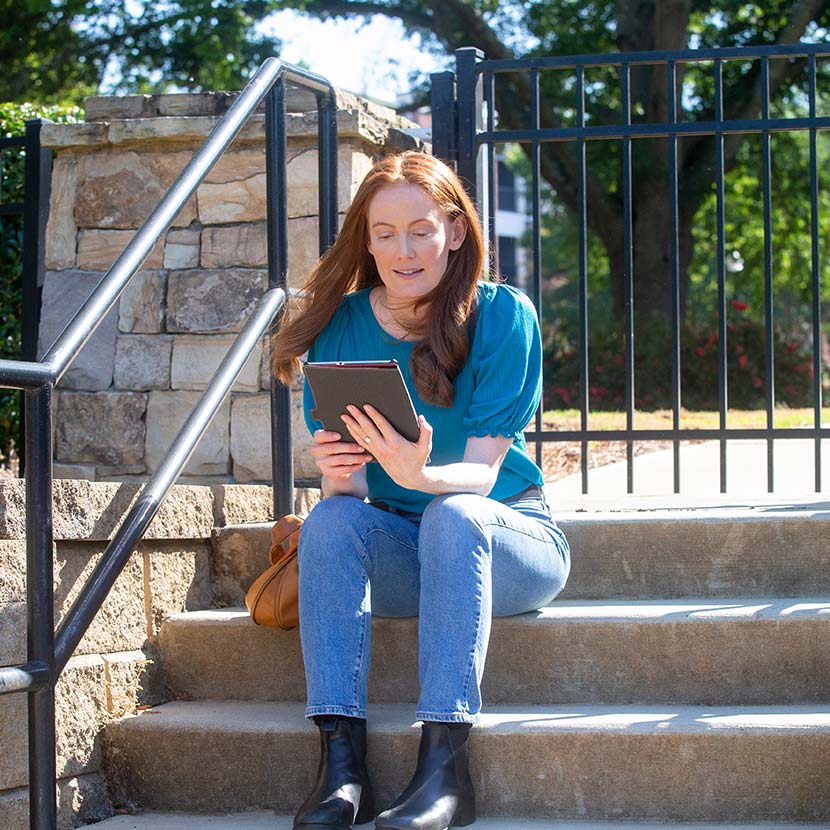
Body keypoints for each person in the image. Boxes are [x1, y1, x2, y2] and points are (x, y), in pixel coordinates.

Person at [271, 151, 570, 830]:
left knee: (455, 514)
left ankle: (445, 769)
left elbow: (485, 478)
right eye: (384, 233)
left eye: (421, 230)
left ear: (455, 232)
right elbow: (348, 504)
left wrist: (421, 477)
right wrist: (337, 469)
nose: (402, 250)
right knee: (327, 523)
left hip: (505, 543)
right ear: (366, 238)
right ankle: (342, 772)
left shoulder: (501, 315)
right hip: (407, 546)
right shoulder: (342, 326)